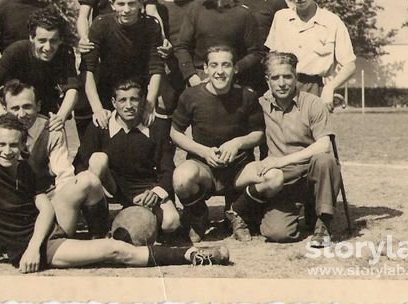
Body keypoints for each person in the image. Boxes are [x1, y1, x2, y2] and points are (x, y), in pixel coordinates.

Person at [0, 114, 230, 274]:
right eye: (1, 144)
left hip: (45, 236)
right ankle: (192, 256)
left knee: (90, 196)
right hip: (36, 247)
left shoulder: (24, 169)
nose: (7, 151)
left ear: (22, 145)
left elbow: (45, 210)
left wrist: (36, 244)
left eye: (14, 145)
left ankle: (102, 235)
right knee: (115, 251)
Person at [0, 79, 107, 238]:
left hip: (46, 201)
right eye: (15, 108)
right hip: (8, 203)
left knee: (87, 180)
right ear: (4, 109)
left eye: (27, 107)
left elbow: (64, 177)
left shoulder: (51, 129)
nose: (21, 114)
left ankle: (97, 235)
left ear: (38, 105)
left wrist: (59, 210)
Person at [75, 0, 166, 138]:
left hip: (136, 48)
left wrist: (163, 38)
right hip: (105, 47)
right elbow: (83, 16)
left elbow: (152, 11)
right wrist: (85, 38)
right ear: (113, 3)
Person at [247, 52, 342, 247]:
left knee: (325, 160)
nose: (282, 83)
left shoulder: (313, 103)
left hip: (311, 174)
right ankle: (305, 208)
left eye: (287, 76)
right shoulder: (259, 105)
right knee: (277, 233)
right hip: (282, 181)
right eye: (275, 77)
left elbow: (324, 145)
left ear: (295, 77)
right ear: (267, 80)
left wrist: (280, 161)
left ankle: (323, 223)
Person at [171, 46, 265, 242]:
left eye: (226, 65)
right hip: (205, 168)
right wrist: (203, 152)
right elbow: (175, 132)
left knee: (273, 177)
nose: (220, 71)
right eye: (214, 65)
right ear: (205, 68)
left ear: (235, 69)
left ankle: (236, 212)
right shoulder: (191, 96)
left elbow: (258, 133)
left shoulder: (247, 95)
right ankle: (198, 216)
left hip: (239, 168)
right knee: (181, 178)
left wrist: (237, 143)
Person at [76, 79, 180, 236]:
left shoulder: (155, 128)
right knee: (98, 159)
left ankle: (142, 221)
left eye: (134, 99)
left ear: (142, 101)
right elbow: (80, 164)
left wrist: (156, 193)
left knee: (171, 221)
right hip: (113, 188)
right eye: (122, 100)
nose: (129, 106)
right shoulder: (101, 126)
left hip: (146, 190)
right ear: (113, 102)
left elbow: (168, 170)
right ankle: (98, 223)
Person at [265, 0, 356, 112]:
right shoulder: (281, 18)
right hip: (284, 88)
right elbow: (272, 59)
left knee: (317, 134)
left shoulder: (332, 21)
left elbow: (350, 65)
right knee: (284, 134)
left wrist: (330, 88)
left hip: (316, 89)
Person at [80, 0, 164, 129]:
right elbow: (88, 69)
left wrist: (149, 105)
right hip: (107, 89)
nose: (126, 10)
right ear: (112, 4)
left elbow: (157, 68)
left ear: (140, 4)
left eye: (131, 4)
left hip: (139, 91)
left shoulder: (151, 26)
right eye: (121, 4)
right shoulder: (100, 25)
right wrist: (97, 109)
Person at [0, 8, 79, 132]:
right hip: (16, 111)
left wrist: (61, 117)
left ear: (60, 39)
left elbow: (72, 89)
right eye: (42, 41)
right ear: (32, 37)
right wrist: (1, 115)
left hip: (46, 111)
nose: (47, 48)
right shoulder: (16, 51)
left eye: (53, 41)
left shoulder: (65, 52)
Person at [174, 0, 264, 90]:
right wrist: (192, 76)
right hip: (200, 82)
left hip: (233, 85)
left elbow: (256, 52)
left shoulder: (244, 14)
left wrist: (234, 69)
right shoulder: (195, 9)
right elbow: (181, 47)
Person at [231, 0, 287, 94]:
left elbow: (285, 43)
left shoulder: (276, 1)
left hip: (266, 80)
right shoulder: (228, 0)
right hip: (233, 78)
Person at [156, 0, 202, 128]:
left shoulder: (199, 5)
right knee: (164, 132)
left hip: (194, 73)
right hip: (168, 76)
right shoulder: (156, 9)